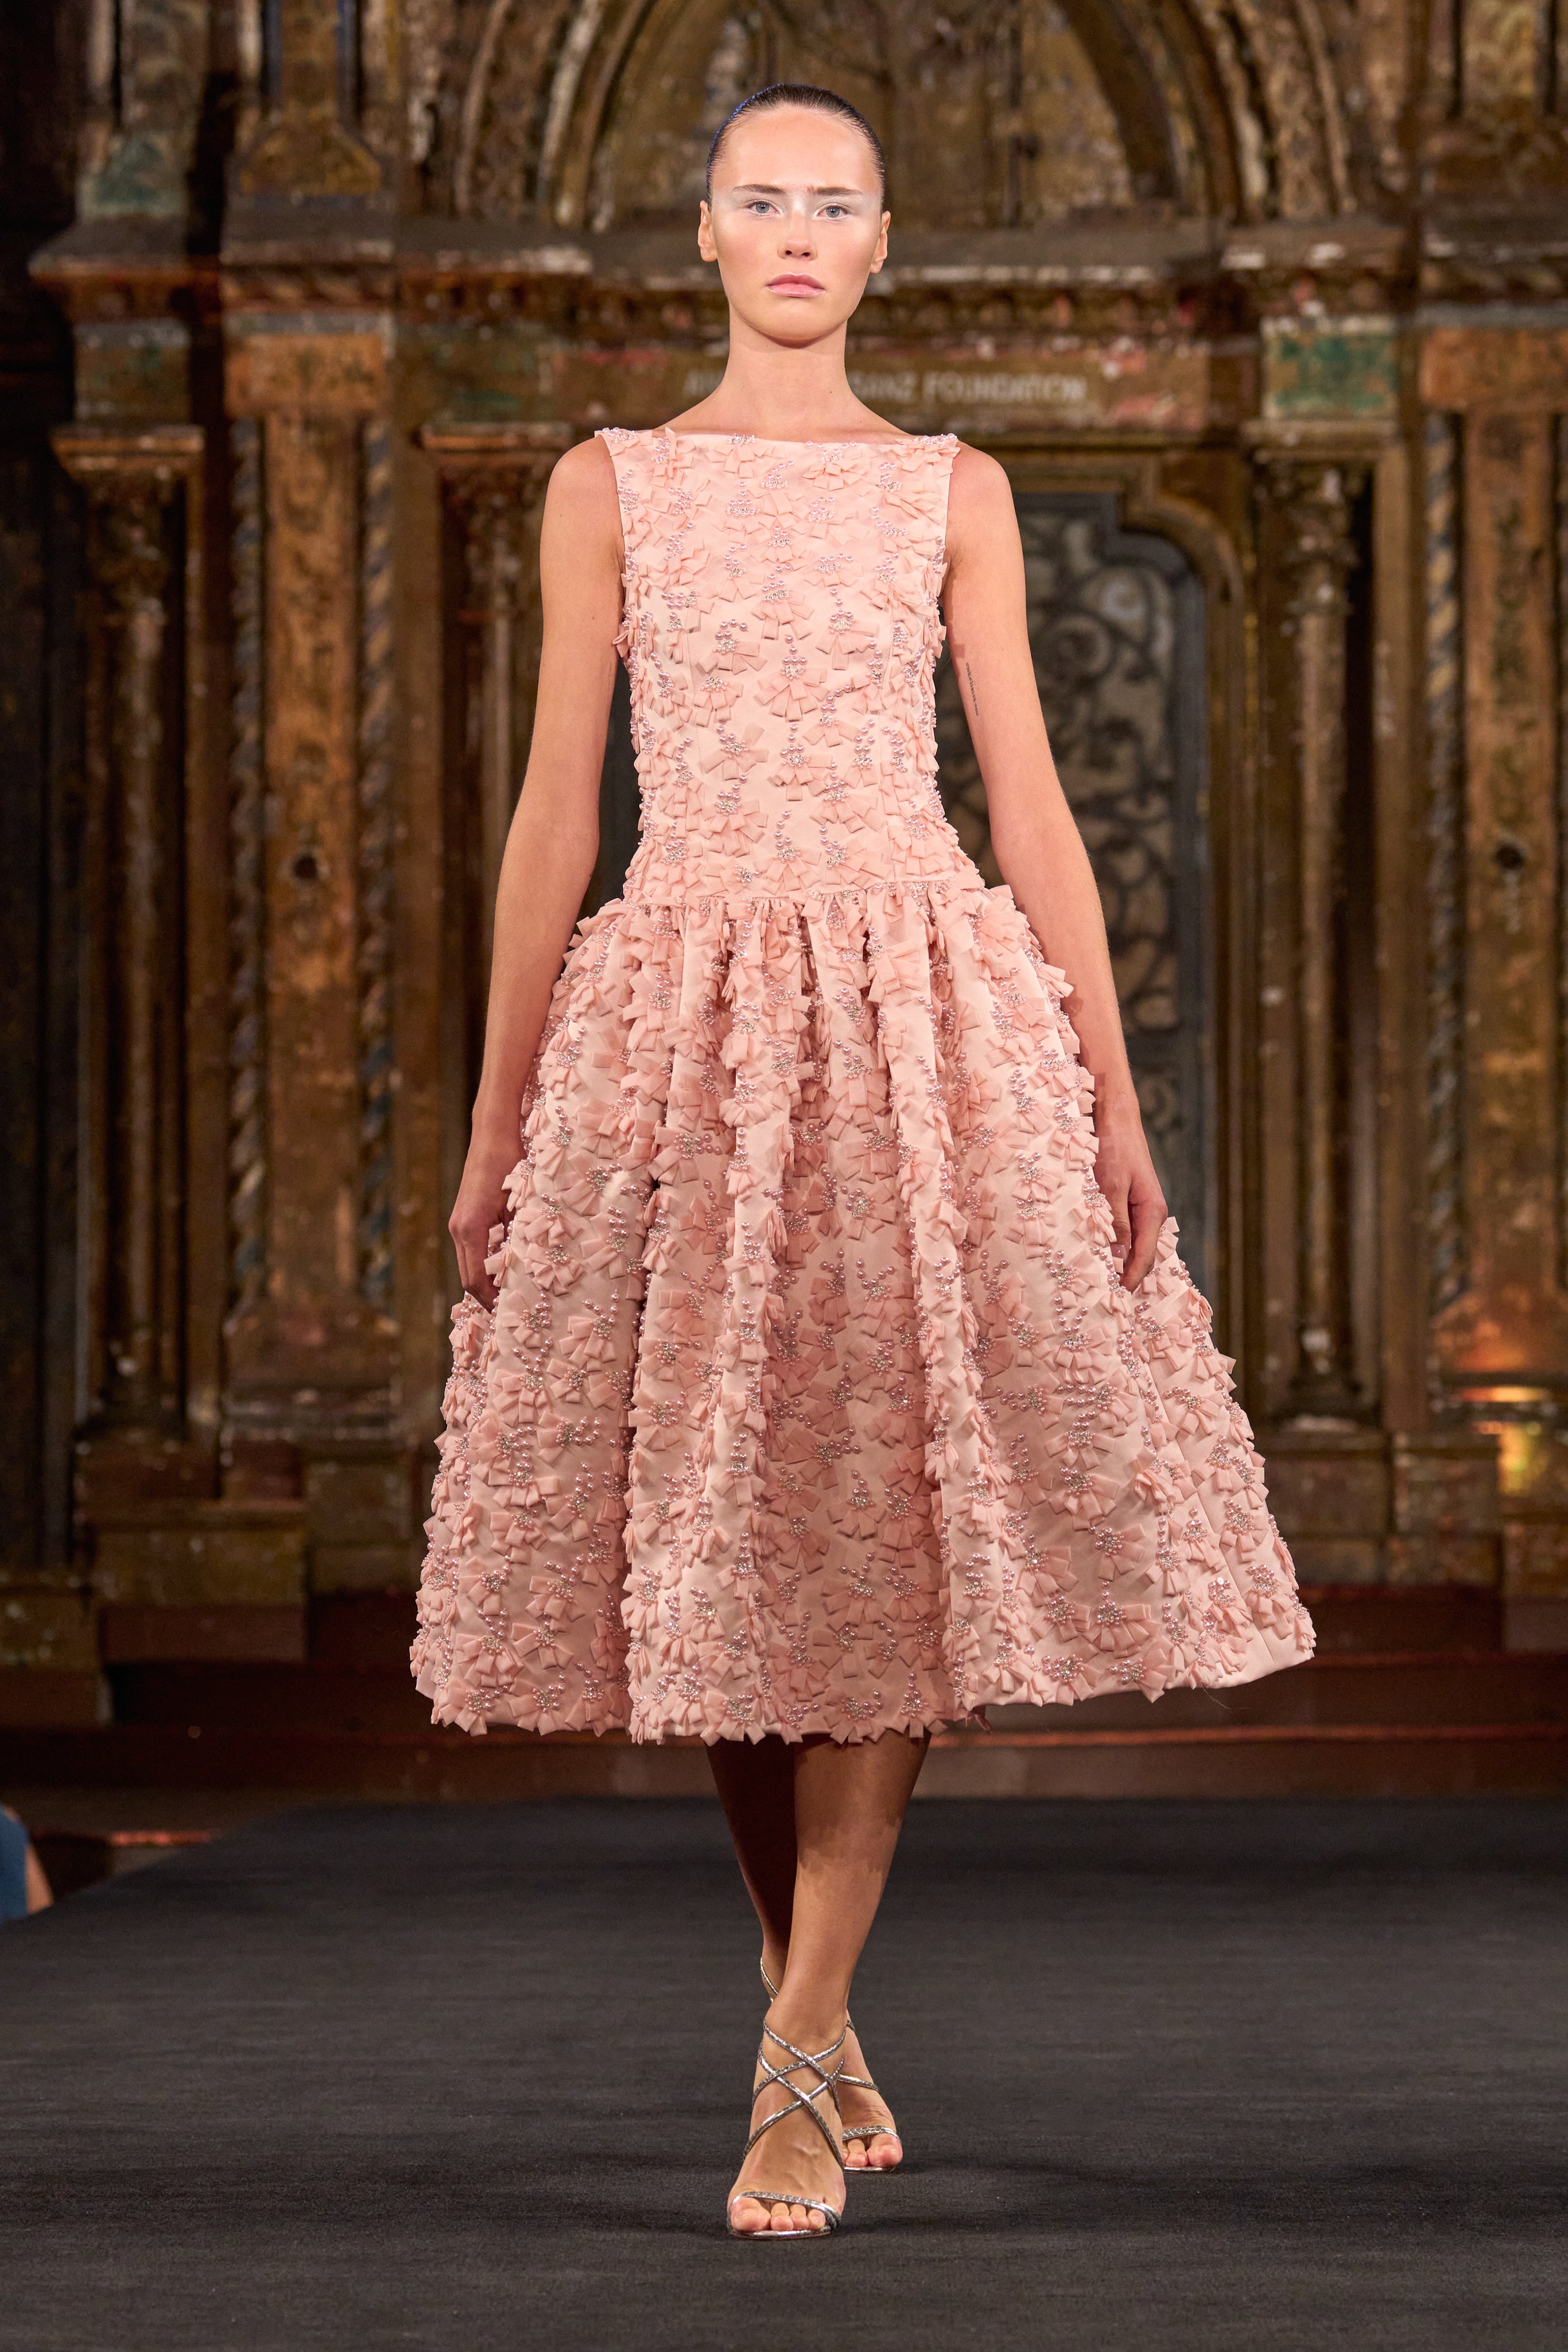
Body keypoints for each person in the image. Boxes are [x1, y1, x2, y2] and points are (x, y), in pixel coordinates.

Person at [411, 82, 1314, 2239]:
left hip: (915, 1012)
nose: (799, 231)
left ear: (884, 242)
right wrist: (497, 1112)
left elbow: (1030, 798)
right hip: (686, 1024)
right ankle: (806, 2018)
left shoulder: (948, 487)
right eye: (763, 199)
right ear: (706, 234)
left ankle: (794, 2059)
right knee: (735, 1527)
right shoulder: (610, 484)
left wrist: (1108, 1087)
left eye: (835, 203)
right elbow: (554, 810)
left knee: (883, 1516)